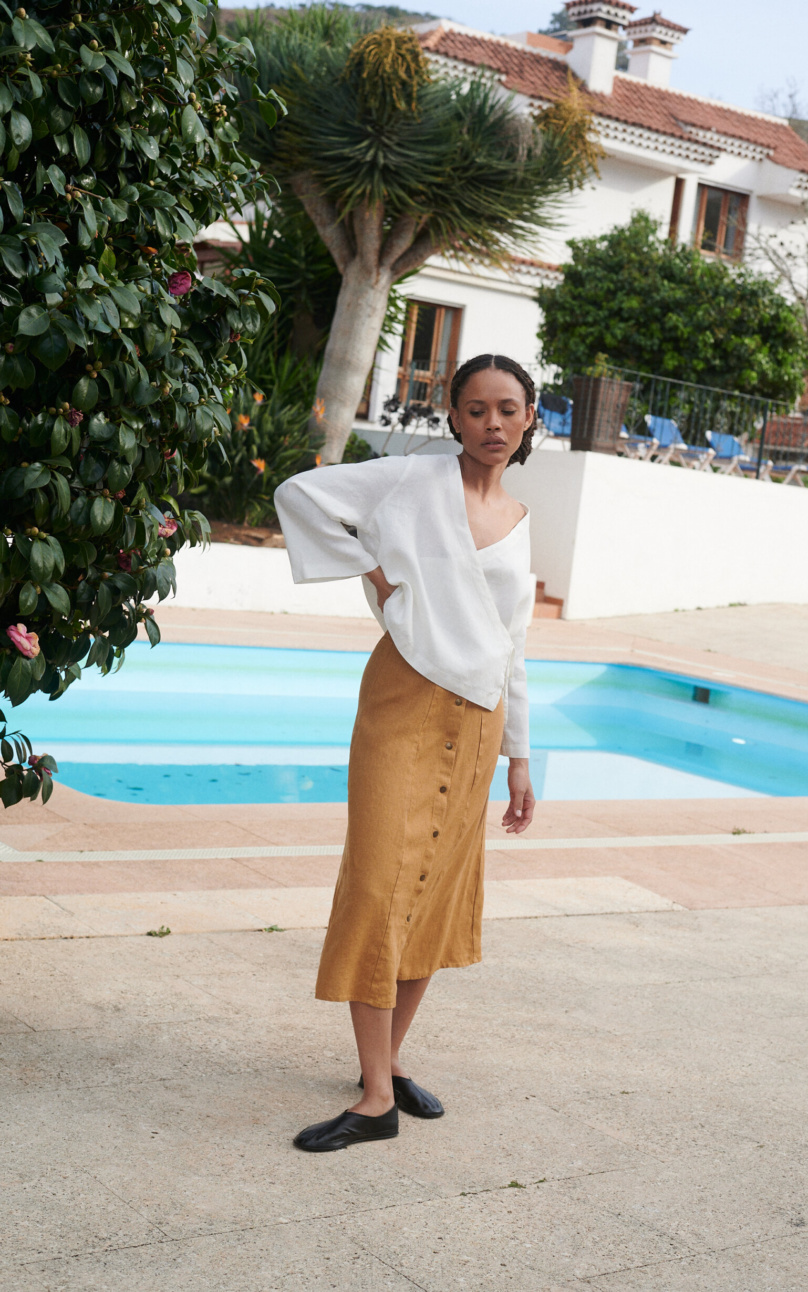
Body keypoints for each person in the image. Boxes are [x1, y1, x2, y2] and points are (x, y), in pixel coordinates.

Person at [274, 353, 536, 1153]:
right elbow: (300, 494)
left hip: (482, 718)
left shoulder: (523, 520)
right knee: (382, 882)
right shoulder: (410, 481)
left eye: (509, 409)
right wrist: (371, 570)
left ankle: (382, 1066)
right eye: (477, 409)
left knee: (437, 894)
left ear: (530, 420)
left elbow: (512, 645)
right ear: (452, 416)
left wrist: (521, 758)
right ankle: (377, 1098)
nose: (493, 423)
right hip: (403, 703)